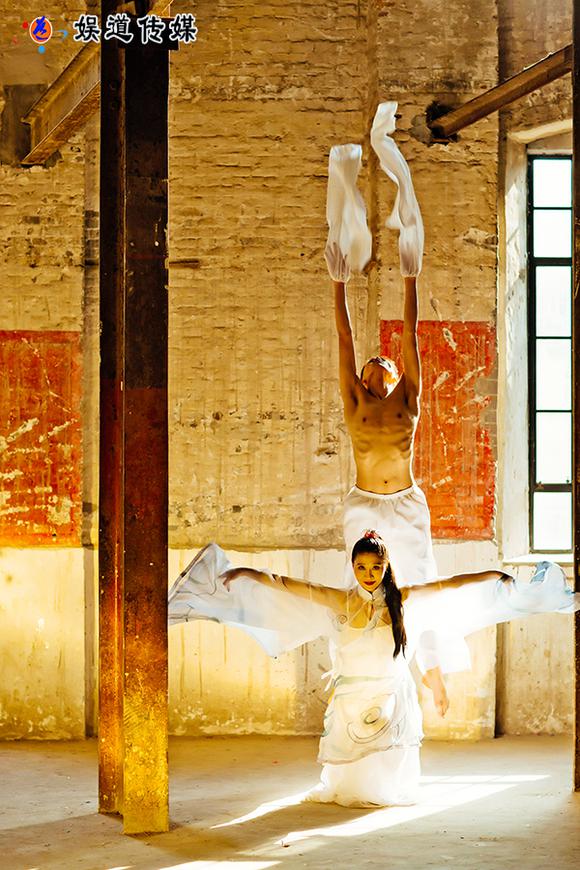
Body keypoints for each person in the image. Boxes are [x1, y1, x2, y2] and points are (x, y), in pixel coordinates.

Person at [168, 533, 579, 808]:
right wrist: (249, 573)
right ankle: (352, 788)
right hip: (353, 690)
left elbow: (449, 584)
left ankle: (385, 788)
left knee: (386, 750)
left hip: (390, 690)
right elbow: (289, 584)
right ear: (353, 567)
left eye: (376, 568)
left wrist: (491, 575)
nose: (369, 575)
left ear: (385, 567)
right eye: (362, 568)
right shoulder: (342, 600)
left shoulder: (402, 598)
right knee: (351, 753)